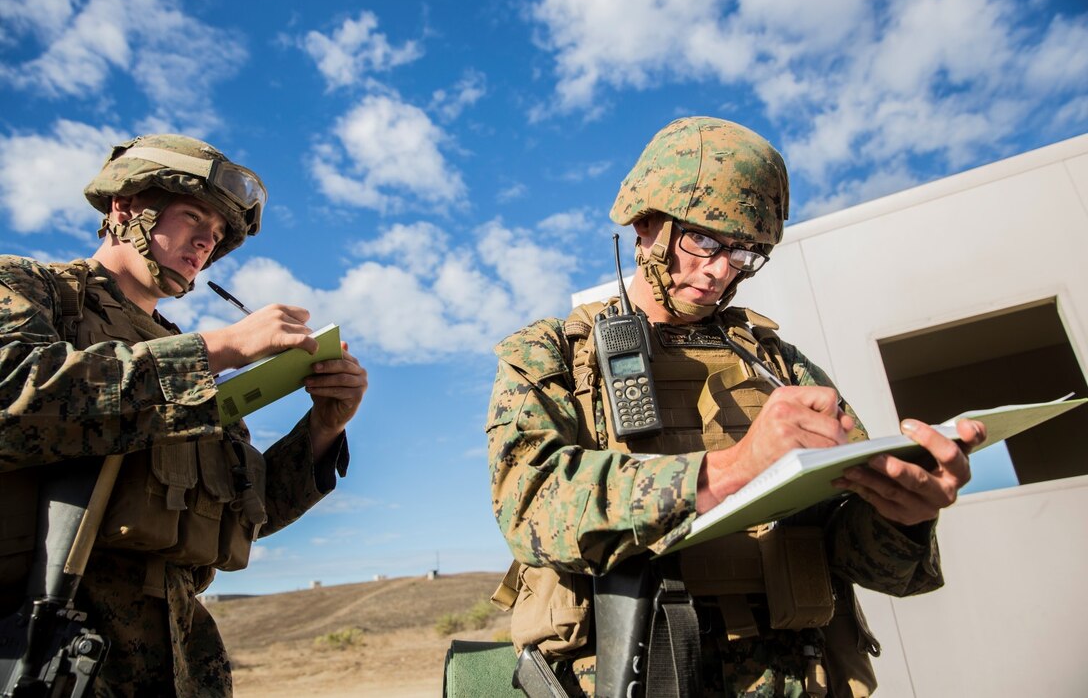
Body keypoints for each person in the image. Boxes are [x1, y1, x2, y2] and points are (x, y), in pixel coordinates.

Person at [486, 117, 983, 697]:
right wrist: (730, 469)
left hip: (799, 678)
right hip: (636, 677)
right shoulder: (550, 353)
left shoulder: (782, 367)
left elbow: (862, 560)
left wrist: (904, 514)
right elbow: (531, 505)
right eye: (706, 242)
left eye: (745, 254)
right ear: (646, 223)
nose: (723, 271)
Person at [0, 134, 367, 697]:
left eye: (217, 235)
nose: (205, 243)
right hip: (45, 645)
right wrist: (219, 348)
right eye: (193, 217)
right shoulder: (30, 288)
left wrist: (322, 429)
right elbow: (18, 396)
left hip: (182, 656)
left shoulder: (184, 355)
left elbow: (248, 511)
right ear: (126, 208)